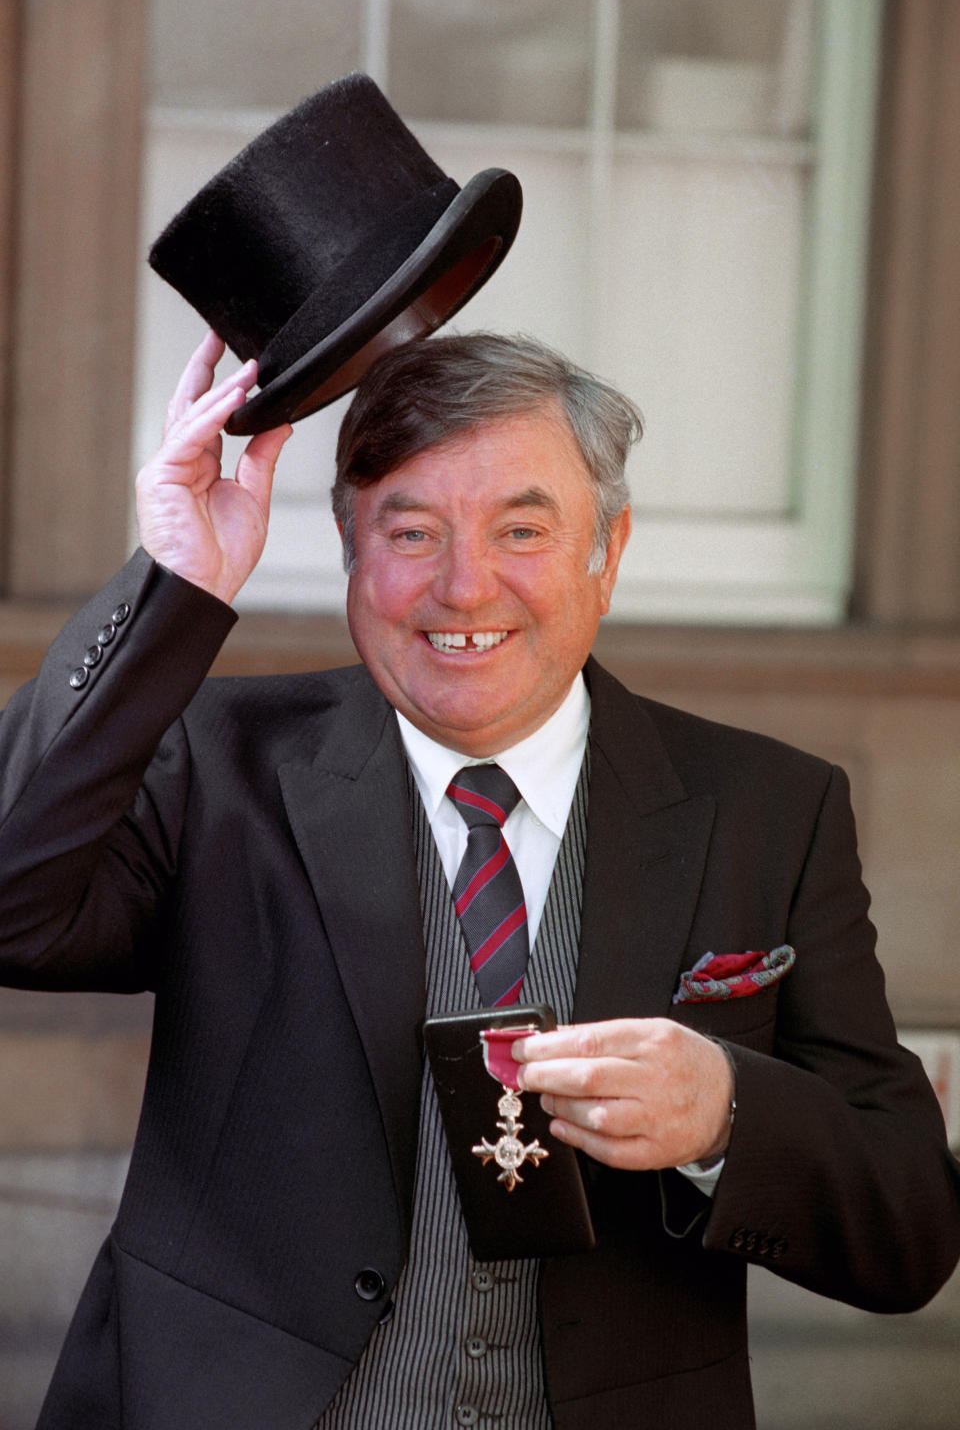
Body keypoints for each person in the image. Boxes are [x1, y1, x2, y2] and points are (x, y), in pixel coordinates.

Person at [0, 329, 957, 1430]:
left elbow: (913, 1227)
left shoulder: (771, 811)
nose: (465, 586)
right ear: (353, 554)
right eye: (411, 531)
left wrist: (728, 1117)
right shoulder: (214, 763)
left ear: (610, 550)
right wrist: (173, 582)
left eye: (521, 529)